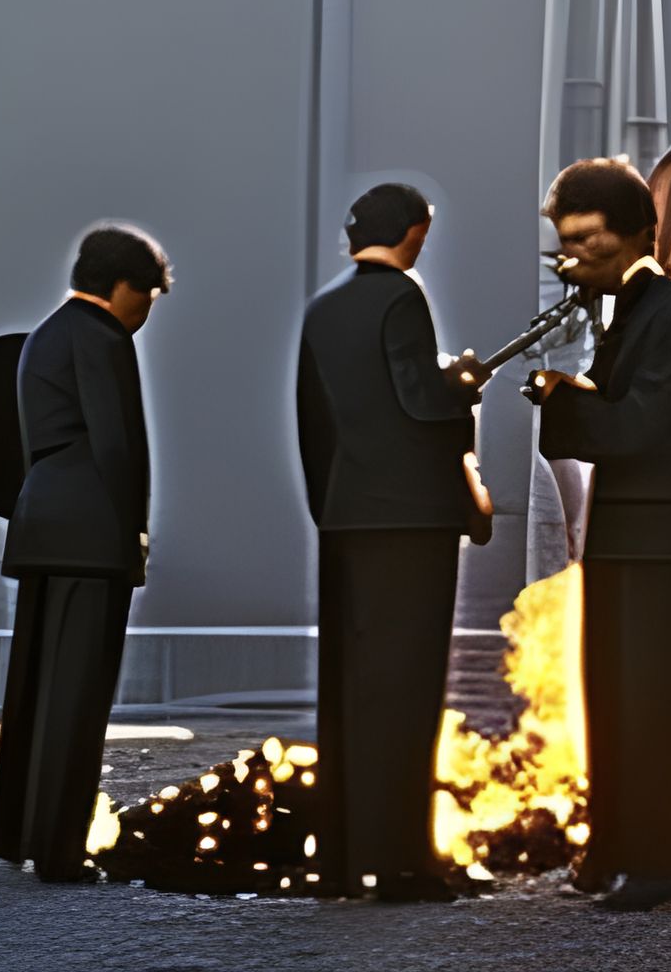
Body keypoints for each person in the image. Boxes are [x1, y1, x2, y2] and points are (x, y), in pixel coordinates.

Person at [524, 158, 671, 912]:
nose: (572, 256)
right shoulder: (637, 314)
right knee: (615, 701)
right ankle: (614, 852)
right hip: (633, 543)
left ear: (639, 234)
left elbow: (640, 426)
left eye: (587, 239)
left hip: (663, 548)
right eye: (564, 241)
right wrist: (574, 391)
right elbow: (629, 413)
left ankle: (655, 864)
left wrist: (563, 396)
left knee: (650, 707)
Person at [296, 182, 489, 902]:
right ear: (413, 231)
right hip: (410, 523)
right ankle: (404, 863)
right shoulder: (402, 298)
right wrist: (460, 384)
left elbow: (313, 424)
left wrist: (330, 509)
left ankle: (344, 860)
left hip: (345, 516)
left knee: (350, 692)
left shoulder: (323, 310)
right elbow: (418, 398)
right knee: (407, 692)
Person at [0, 223, 171, 882]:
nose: (146, 311)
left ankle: (13, 833)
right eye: (147, 296)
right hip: (93, 532)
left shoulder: (45, 334)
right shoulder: (103, 338)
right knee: (78, 696)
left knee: (35, 691)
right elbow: (118, 445)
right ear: (122, 287)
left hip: (42, 522)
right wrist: (134, 533)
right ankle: (60, 850)